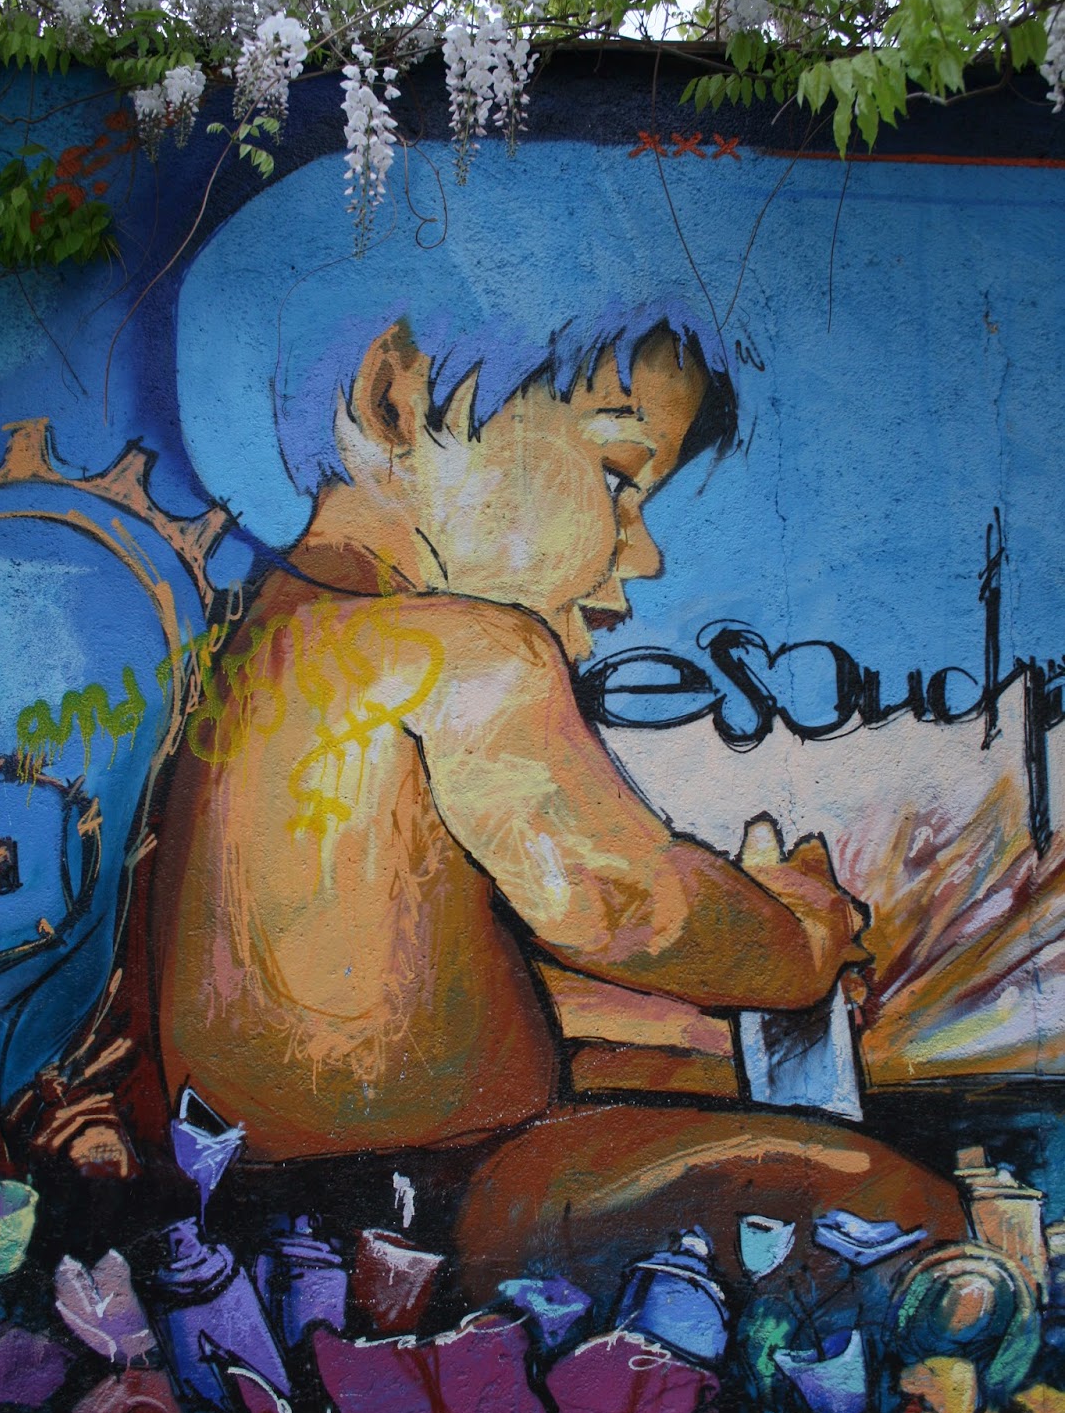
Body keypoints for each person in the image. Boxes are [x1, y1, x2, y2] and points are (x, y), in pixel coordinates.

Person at [148, 283, 965, 1301]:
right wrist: (796, 944)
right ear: (398, 400)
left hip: (247, 1195)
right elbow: (620, 904)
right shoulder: (469, 654)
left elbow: (395, 975)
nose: (645, 550)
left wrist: (673, 1026)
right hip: (432, 1195)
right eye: (620, 478)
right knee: (883, 1198)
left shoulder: (257, 649)